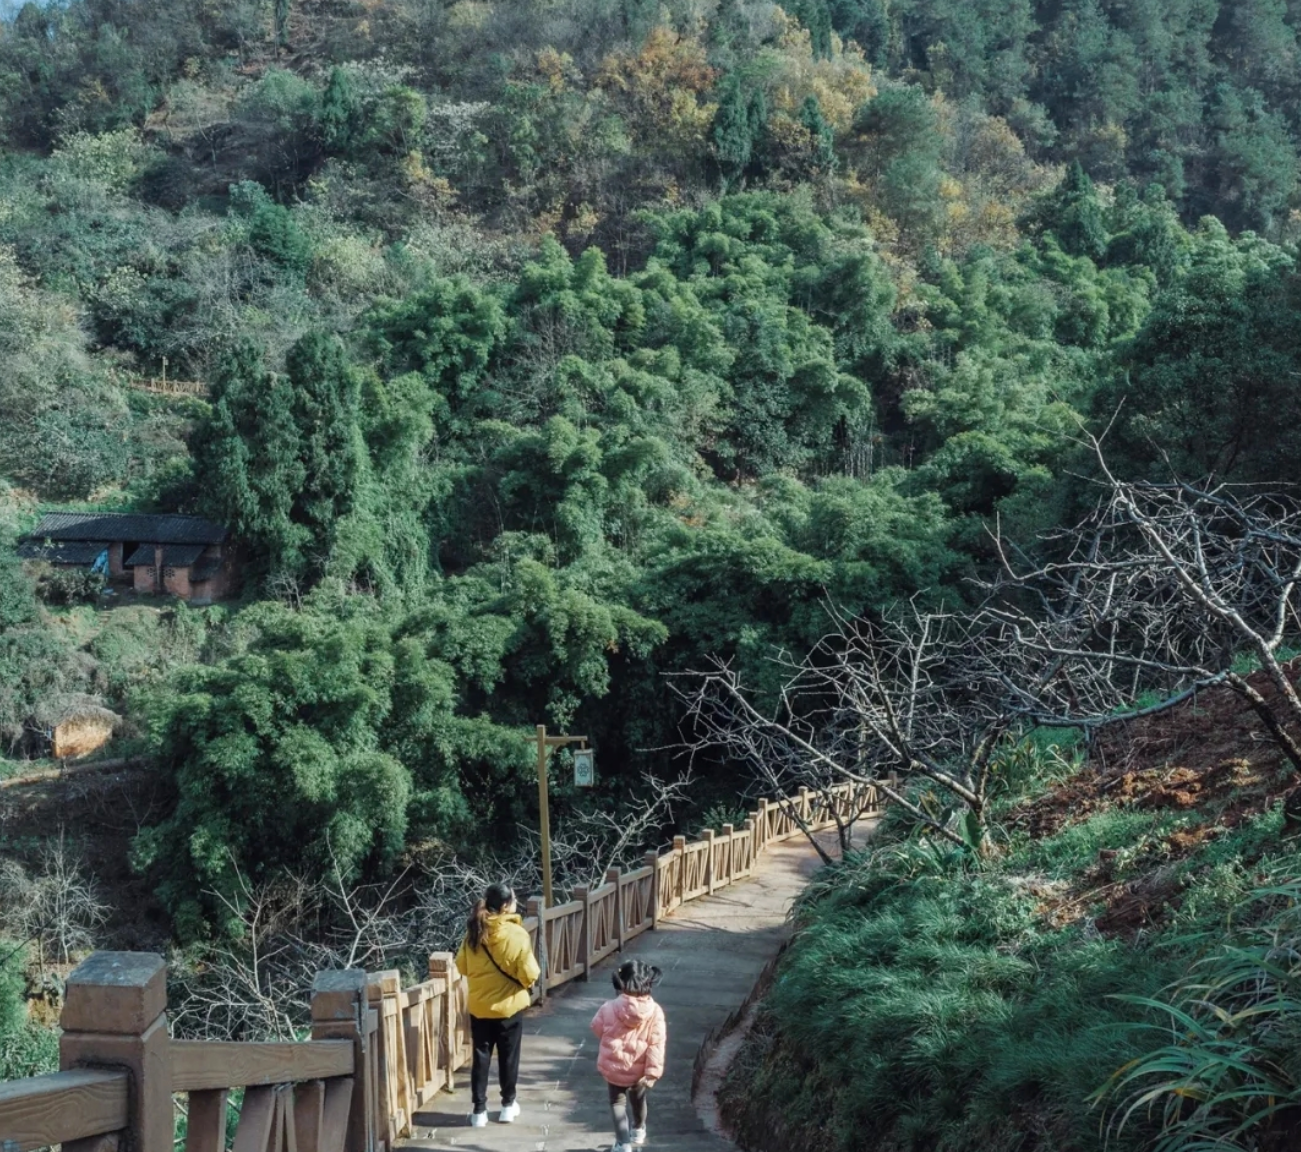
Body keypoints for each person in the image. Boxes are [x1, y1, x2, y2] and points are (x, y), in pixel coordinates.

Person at [454, 882, 541, 1127]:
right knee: (508, 1057)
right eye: (513, 900)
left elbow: (461, 966)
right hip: (508, 1007)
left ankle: (479, 1111)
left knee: (481, 1056)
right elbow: (529, 973)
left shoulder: (473, 931)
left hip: (480, 1006)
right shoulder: (516, 934)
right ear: (505, 906)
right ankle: (507, 1106)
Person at [590, 959, 666, 1152]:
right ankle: (639, 1129)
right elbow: (657, 1043)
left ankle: (623, 1143)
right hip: (640, 1069)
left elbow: (596, 1027)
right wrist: (652, 1072)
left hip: (614, 1066)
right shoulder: (655, 1012)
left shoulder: (609, 1007)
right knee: (638, 1099)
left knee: (617, 1102)